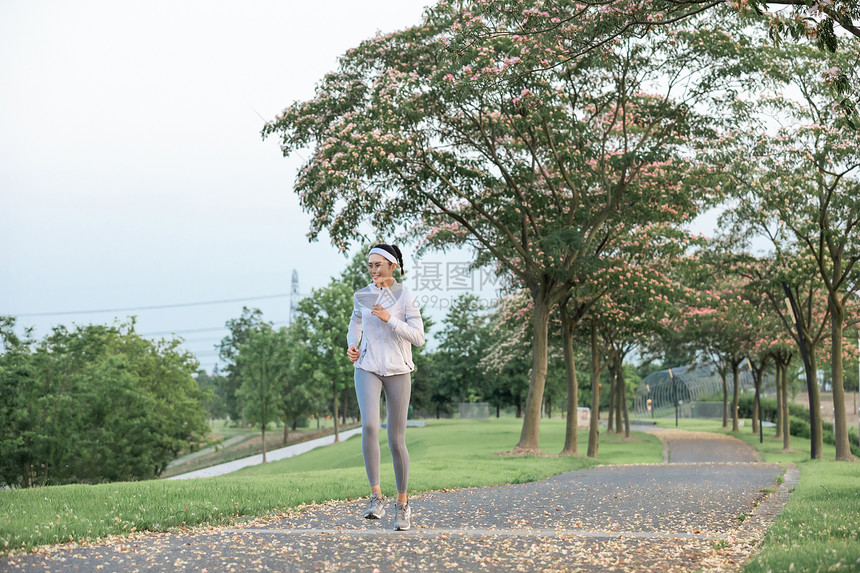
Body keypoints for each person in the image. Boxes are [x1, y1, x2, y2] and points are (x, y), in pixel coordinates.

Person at [347, 243, 424, 531]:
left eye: (379, 264)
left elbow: (418, 337)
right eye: (370, 265)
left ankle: (402, 504)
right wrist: (352, 345)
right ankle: (375, 497)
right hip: (367, 367)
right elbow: (355, 323)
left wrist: (389, 319)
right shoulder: (362, 296)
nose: (374, 269)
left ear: (392, 266)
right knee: (369, 426)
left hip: (398, 371)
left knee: (395, 438)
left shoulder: (405, 297)